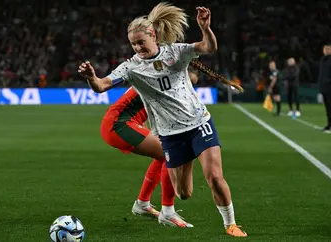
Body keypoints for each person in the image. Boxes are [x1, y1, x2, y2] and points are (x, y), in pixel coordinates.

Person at [79, 3, 247, 237]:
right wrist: (91, 77)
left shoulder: (175, 51)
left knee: (215, 177)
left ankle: (230, 224)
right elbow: (101, 86)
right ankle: (159, 203)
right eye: (133, 44)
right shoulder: (131, 67)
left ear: (153, 36)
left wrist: (205, 28)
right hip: (170, 134)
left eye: (141, 42)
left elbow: (209, 47)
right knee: (184, 193)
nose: (138, 47)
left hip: (199, 122)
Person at [100, 70, 199, 228]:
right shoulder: (160, 76)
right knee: (172, 153)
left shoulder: (157, 75)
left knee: (163, 155)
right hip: (119, 124)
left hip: (124, 123)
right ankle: (167, 212)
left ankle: (142, 204)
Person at [318, 44, 331, 133]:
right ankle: (329, 124)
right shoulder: (322, 60)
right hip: (324, 87)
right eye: (325, 49)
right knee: (327, 107)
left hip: (330, 87)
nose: (326, 51)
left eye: (328, 49)